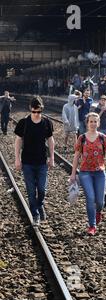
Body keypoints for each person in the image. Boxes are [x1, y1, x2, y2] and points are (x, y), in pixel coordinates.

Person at [70, 112, 106, 236]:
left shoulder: (103, 138)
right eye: (91, 121)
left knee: (100, 202)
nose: (93, 124)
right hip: (85, 173)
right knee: (90, 198)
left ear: (99, 123)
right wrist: (73, 174)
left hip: (100, 173)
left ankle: (98, 212)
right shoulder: (82, 138)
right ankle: (92, 226)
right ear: (87, 123)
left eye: (95, 121)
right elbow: (76, 157)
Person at [14, 96, 55, 226]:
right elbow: (18, 141)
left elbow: (50, 140)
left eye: (39, 112)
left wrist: (52, 157)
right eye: (34, 112)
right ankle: (35, 214)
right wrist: (17, 159)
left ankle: (40, 204)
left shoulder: (47, 123)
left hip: (42, 161)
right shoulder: (23, 123)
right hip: (27, 163)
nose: (36, 114)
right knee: (31, 191)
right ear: (30, 109)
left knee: (42, 189)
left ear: (41, 109)